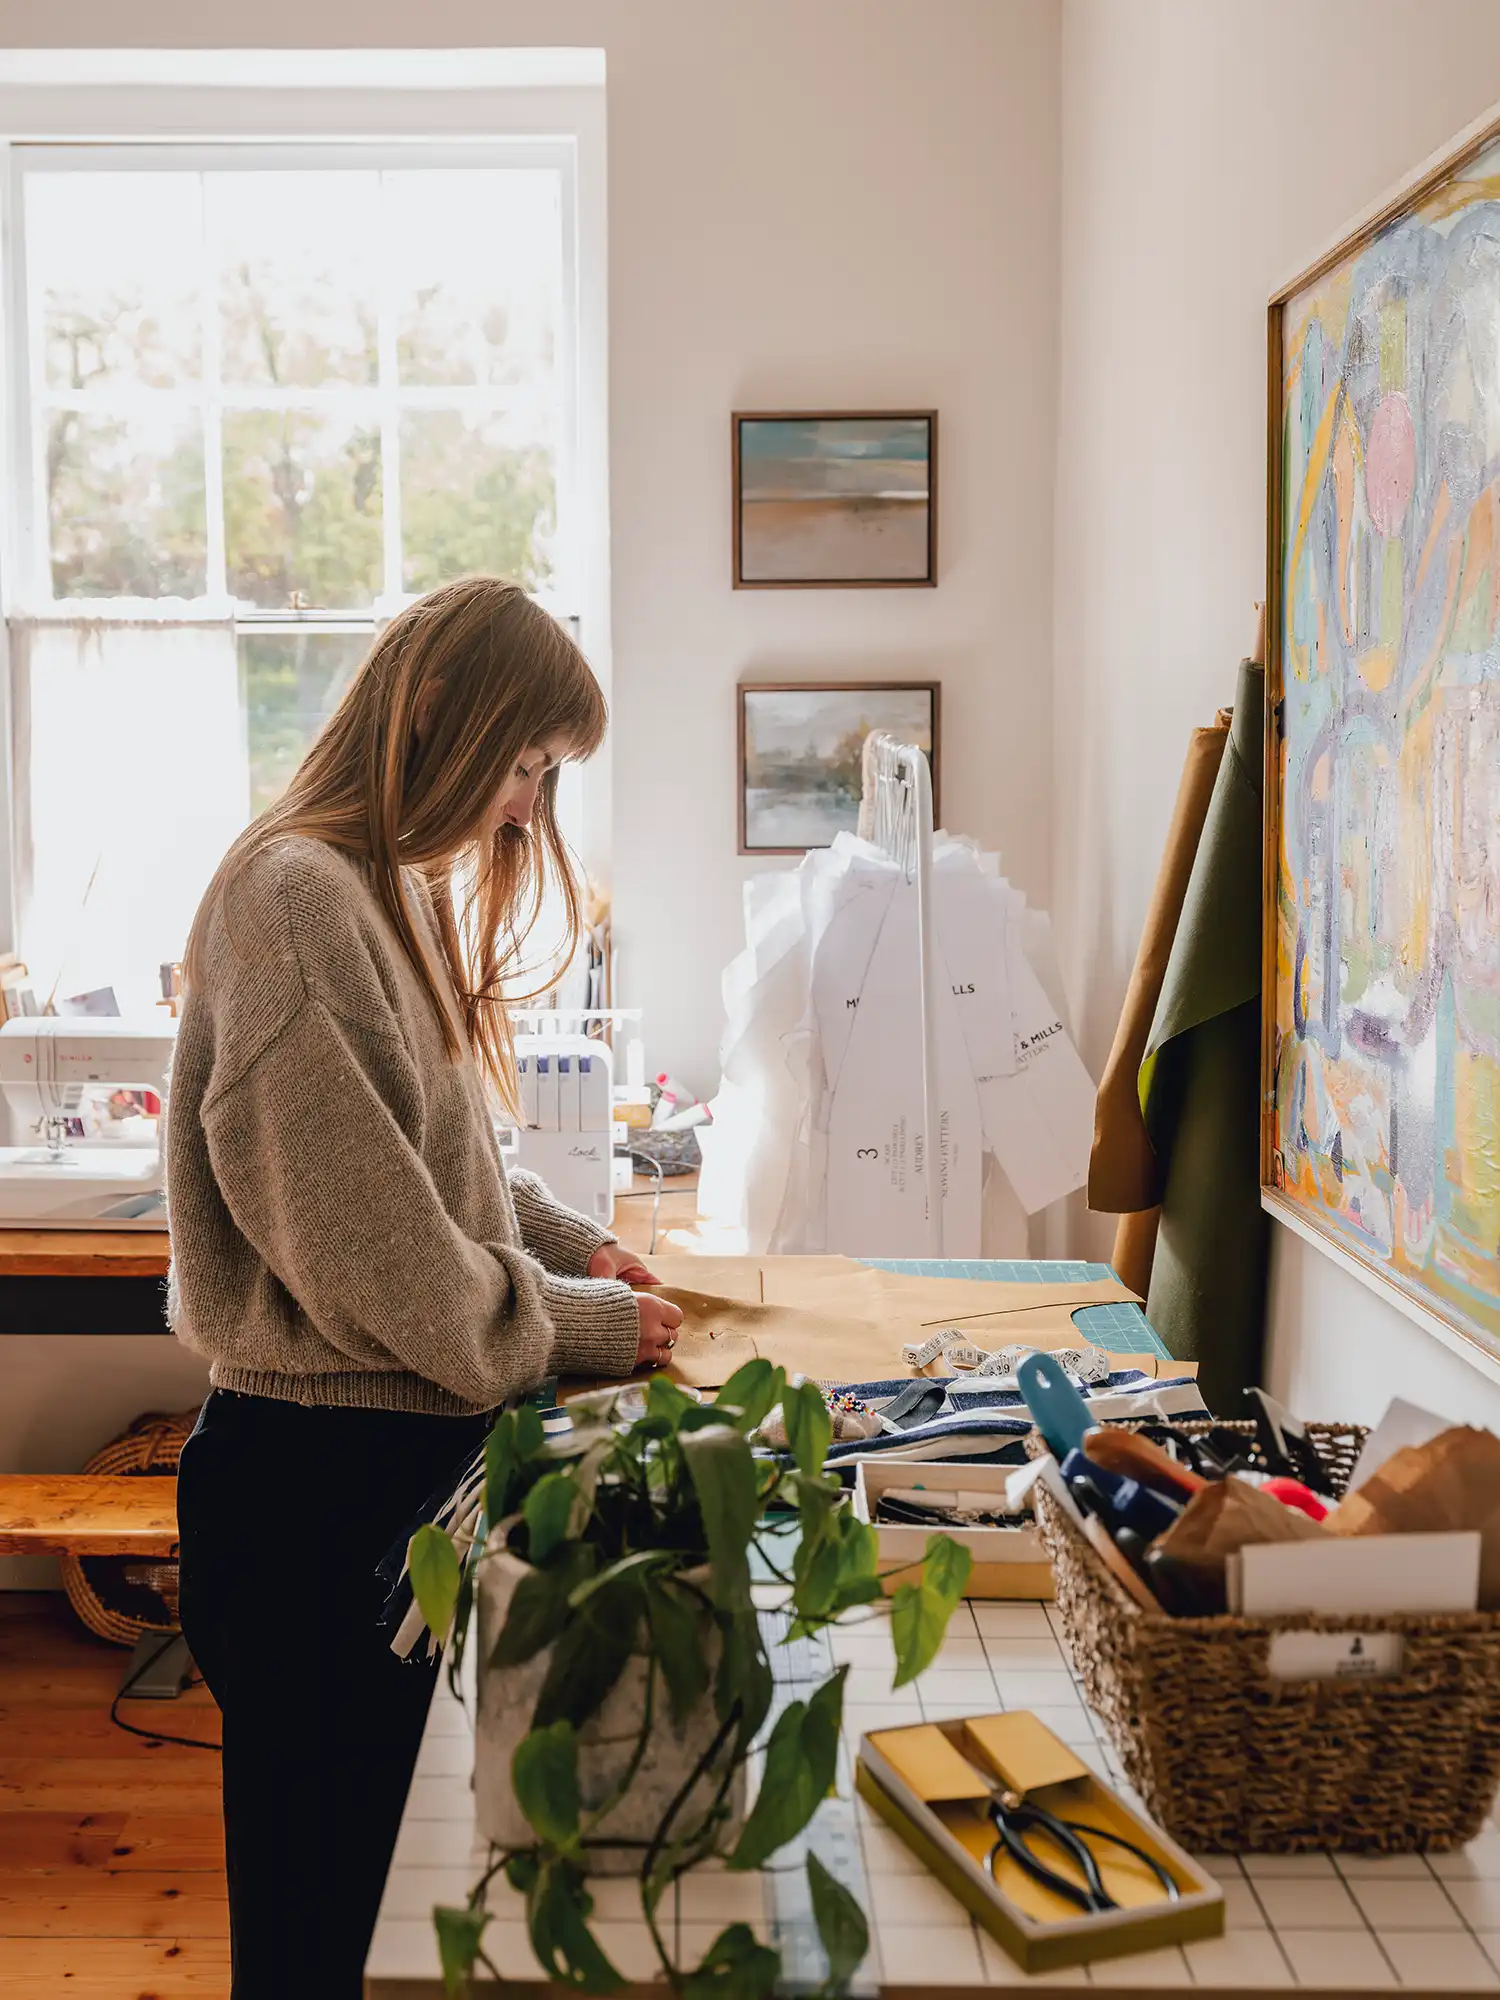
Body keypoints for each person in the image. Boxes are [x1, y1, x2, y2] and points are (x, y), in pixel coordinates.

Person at [165, 578, 684, 1999]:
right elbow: (387, 1264)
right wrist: (585, 1327)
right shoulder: (292, 901)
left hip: (383, 1482)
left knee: (385, 1916)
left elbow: (440, 1171)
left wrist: (579, 1249)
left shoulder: (376, 894)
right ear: (441, 716)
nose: (528, 810)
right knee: (323, 1940)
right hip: (317, 1507)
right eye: (528, 767)